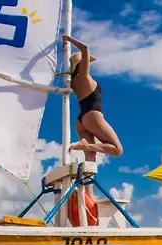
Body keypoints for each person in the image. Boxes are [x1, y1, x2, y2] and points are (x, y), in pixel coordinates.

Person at [62, 34, 123, 202]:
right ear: (81, 64)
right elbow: (85, 48)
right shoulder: (84, 76)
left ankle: (89, 193)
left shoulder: (73, 82)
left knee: (90, 157)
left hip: (81, 120)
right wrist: (68, 39)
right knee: (117, 150)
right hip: (92, 115)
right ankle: (86, 145)